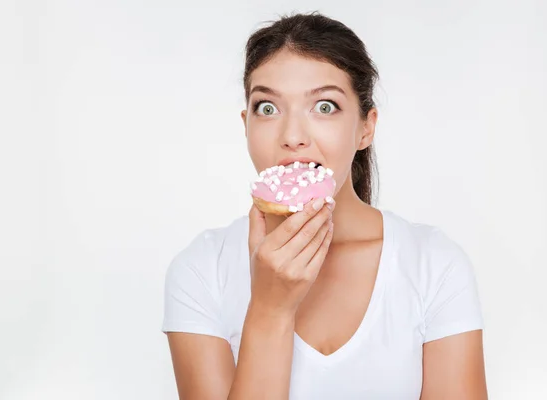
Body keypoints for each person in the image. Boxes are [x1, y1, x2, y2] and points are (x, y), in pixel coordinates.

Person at [162, 11, 488, 399]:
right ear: (245, 124)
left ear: (366, 127)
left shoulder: (434, 264)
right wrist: (270, 310)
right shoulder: (201, 270)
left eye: (324, 106)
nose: (293, 136)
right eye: (267, 108)